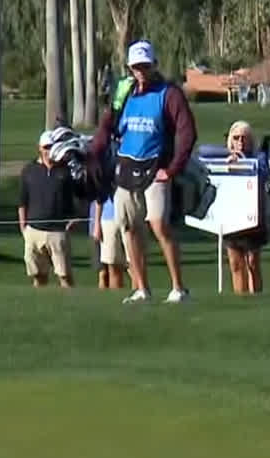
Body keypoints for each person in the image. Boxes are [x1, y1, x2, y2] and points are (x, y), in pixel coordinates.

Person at [89, 40, 198, 304]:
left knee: (158, 224)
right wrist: (93, 151)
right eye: (136, 66)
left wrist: (172, 169)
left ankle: (178, 288)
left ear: (154, 65)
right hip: (126, 168)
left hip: (156, 168)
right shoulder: (124, 91)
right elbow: (108, 124)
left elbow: (187, 132)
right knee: (128, 228)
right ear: (129, 67)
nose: (141, 71)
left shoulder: (169, 93)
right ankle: (141, 288)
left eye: (145, 66)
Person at [19, 129, 82, 288]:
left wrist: (75, 218)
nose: (49, 151)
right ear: (39, 148)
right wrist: (23, 227)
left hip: (58, 232)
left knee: (65, 277)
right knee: (38, 276)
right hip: (34, 231)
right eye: (46, 147)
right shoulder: (29, 170)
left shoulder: (65, 171)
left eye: (51, 147)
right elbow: (22, 202)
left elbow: (76, 197)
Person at [223, 120, 269, 295]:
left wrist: (242, 161)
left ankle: (255, 295)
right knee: (235, 262)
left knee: (252, 261)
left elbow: (263, 172)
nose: (240, 142)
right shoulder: (224, 159)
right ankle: (240, 297)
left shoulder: (259, 157)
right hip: (232, 217)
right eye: (236, 138)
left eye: (245, 138)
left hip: (252, 216)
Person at [91, 196, 128, 289]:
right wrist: (97, 223)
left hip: (130, 214)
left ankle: (140, 295)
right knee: (111, 267)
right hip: (108, 217)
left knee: (134, 267)